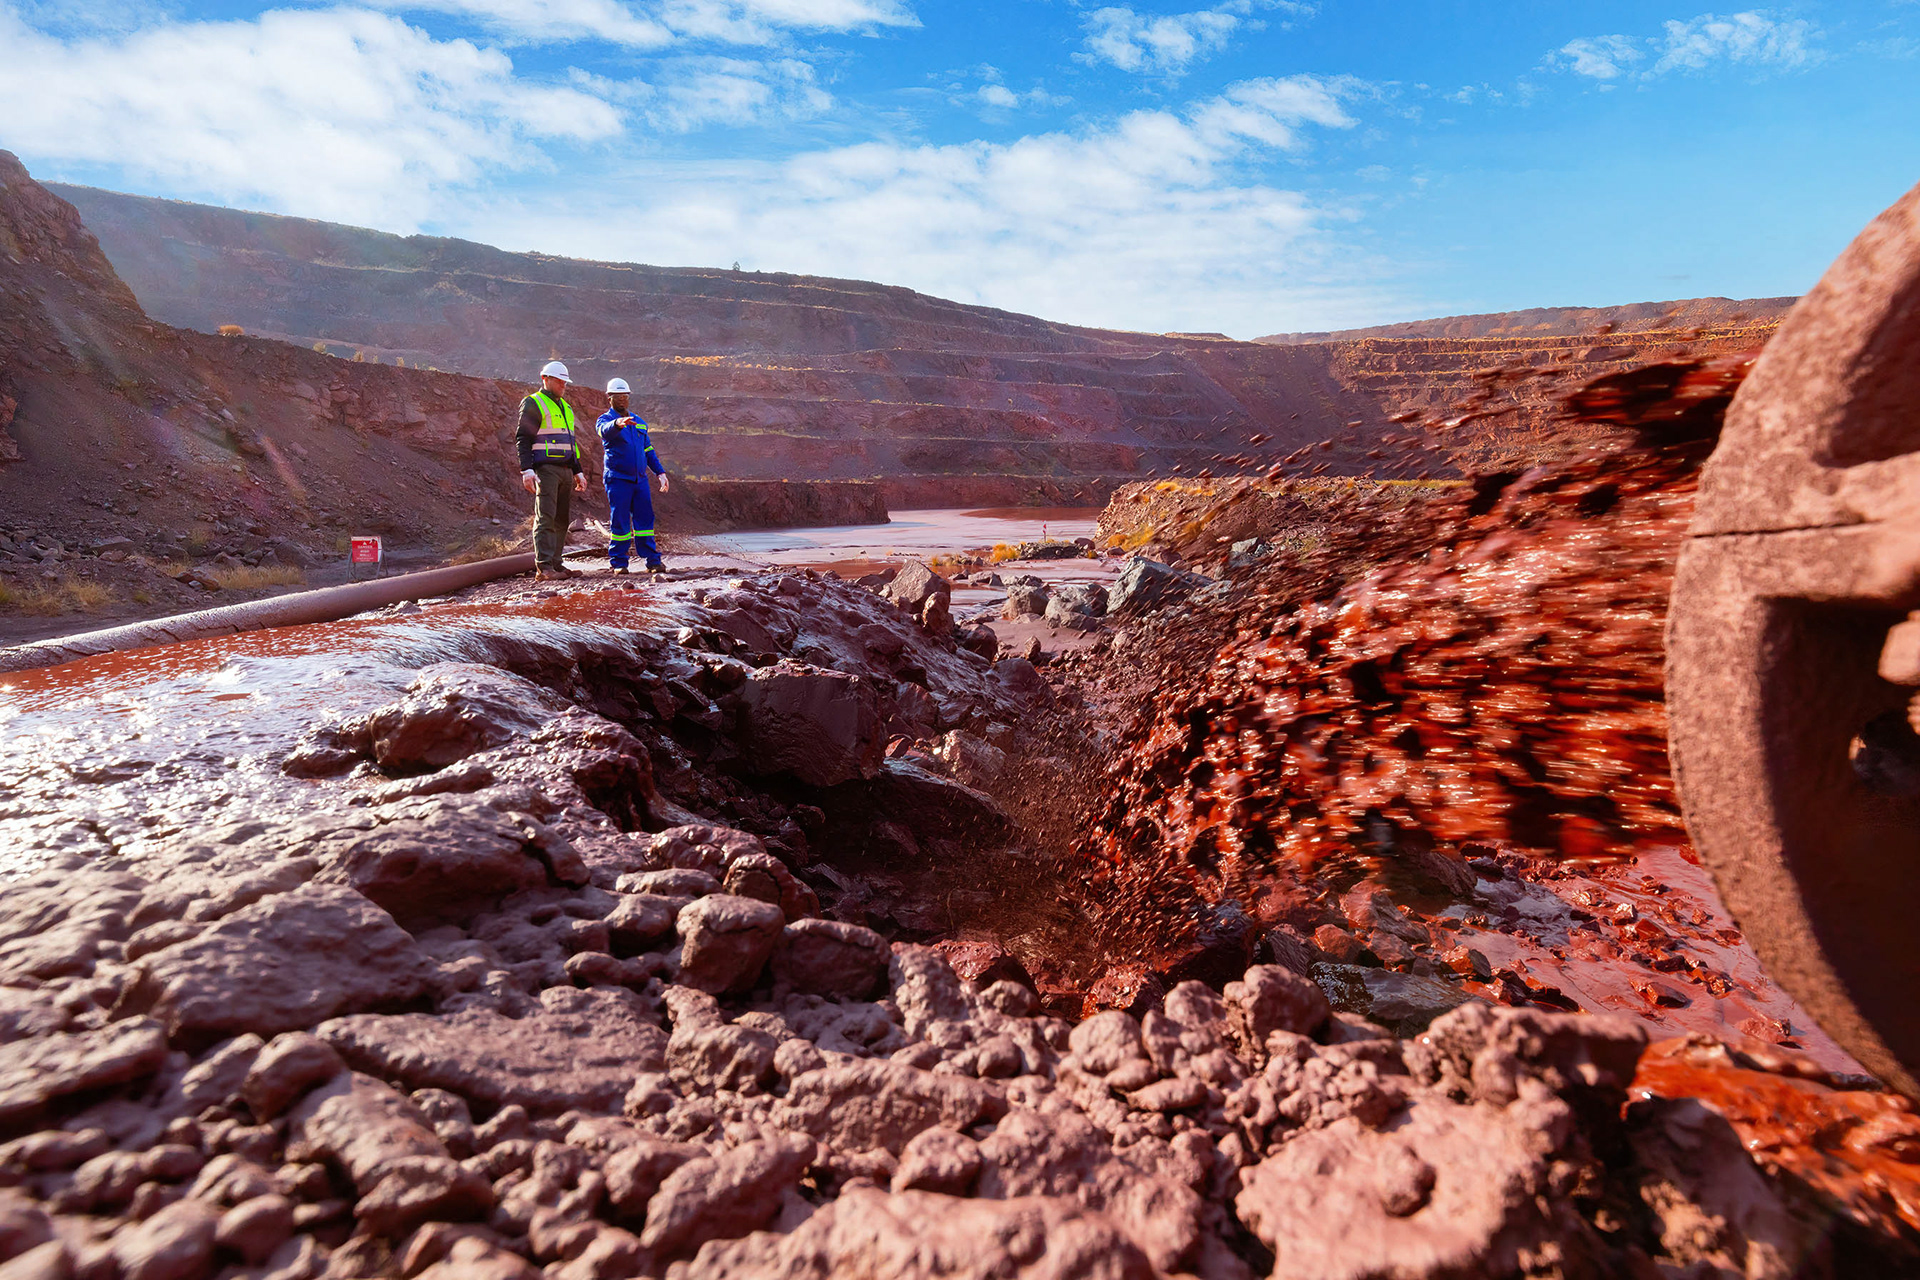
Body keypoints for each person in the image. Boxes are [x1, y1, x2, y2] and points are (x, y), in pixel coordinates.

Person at [515, 361, 587, 580]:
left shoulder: (565, 407)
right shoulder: (534, 403)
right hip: (545, 469)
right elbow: (523, 438)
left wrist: (578, 471)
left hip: (566, 470)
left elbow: (570, 444)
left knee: (561, 520)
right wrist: (527, 470)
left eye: (565, 382)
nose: (563, 385)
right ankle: (544, 567)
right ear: (545, 379)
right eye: (559, 381)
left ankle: (556, 564)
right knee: (546, 517)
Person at [596, 377, 670, 574]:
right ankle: (619, 563)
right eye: (618, 396)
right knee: (619, 521)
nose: (622, 399)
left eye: (625, 396)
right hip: (618, 479)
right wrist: (618, 424)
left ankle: (653, 561)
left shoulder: (639, 423)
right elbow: (604, 432)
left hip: (640, 479)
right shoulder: (605, 420)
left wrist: (660, 472)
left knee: (645, 521)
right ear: (609, 397)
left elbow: (648, 451)